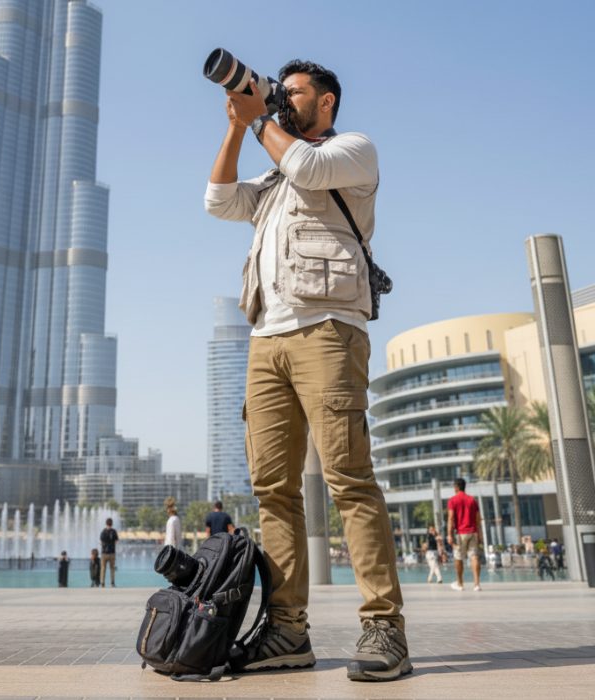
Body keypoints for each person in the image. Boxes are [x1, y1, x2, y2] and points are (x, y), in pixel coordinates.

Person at [204, 60, 409, 681]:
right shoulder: (270, 170)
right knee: (273, 490)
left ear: (327, 101)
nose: (282, 100)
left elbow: (309, 167)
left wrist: (262, 112)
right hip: (266, 340)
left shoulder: (352, 149)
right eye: (279, 90)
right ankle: (288, 630)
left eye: (292, 93)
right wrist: (239, 127)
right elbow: (217, 202)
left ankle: (384, 628)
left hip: (327, 331)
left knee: (348, 477)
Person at [447, 478, 483, 592]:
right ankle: (476, 584)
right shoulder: (472, 500)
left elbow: (451, 518)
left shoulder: (453, 500)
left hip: (460, 533)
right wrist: (480, 534)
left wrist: (449, 534)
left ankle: (460, 583)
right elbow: (478, 519)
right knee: (474, 556)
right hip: (472, 532)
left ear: (456, 487)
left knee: (458, 557)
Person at [99, 518, 118, 588]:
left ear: (106, 523)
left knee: (103, 568)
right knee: (112, 568)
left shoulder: (103, 531)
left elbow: (100, 541)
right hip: (112, 553)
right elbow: (116, 541)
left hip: (104, 553)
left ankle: (102, 583)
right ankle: (112, 583)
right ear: (112, 524)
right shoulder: (114, 531)